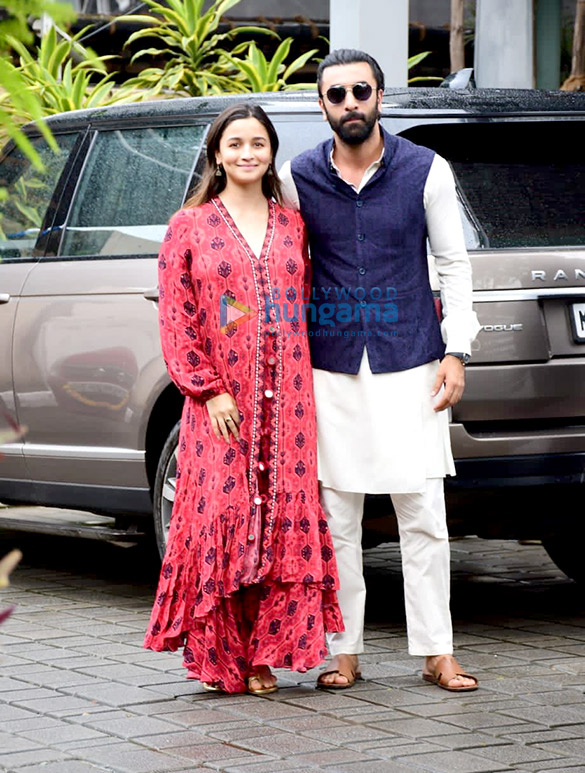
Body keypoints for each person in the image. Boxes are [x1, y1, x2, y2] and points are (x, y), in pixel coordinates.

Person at [279, 49, 481, 692]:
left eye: (359, 91)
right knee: (336, 515)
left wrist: (457, 351)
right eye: (335, 95)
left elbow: (453, 266)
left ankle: (436, 651)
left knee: (422, 509)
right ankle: (344, 651)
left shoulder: (427, 169)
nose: (349, 104)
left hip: (412, 360)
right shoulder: (298, 176)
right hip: (331, 367)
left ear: (380, 97)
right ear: (322, 106)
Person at [144, 103, 343, 695]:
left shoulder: (292, 226)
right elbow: (179, 317)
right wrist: (207, 390)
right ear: (216, 155)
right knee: (225, 517)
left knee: (280, 519)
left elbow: (295, 307)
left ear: (271, 152)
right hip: (221, 405)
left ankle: (264, 655)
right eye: (235, 144)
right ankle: (227, 655)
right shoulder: (190, 226)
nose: (247, 153)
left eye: (258, 143)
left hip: (289, 407)